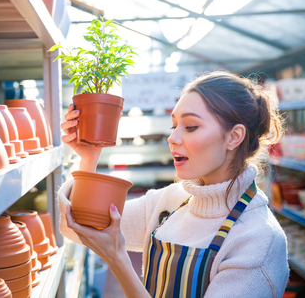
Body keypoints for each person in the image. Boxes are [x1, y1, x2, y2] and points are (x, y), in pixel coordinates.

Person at [58, 71, 289, 298]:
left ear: (234, 137)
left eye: (190, 127)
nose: (172, 138)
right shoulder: (168, 202)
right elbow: (77, 227)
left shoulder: (259, 241)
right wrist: (89, 157)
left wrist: (117, 260)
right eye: (174, 126)